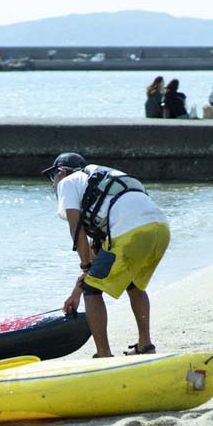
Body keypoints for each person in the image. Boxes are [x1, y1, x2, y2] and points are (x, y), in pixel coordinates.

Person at [42, 152, 171, 358]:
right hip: (160, 229)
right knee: (133, 283)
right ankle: (145, 345)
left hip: (131, 232)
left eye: (53, 177)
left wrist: (85, 273)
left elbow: (77, 232)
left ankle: (103, 354)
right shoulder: (102, 180)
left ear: (62, 172)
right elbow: (97, 255)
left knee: (92, 290)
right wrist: (75, 293)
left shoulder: (68, 183)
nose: (53, 184)